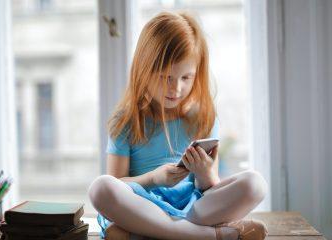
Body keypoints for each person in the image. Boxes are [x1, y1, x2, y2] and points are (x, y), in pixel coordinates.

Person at [88, 11, 268, 240]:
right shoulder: (127, 120)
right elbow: (117, 183)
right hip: (144, 207)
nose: (175, 89)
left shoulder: (204, 117)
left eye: (186, 78)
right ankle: (212, 236)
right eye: (166, 78)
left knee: (255, 184)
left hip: (192, 208)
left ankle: (152, 234)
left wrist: (204, 174)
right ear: (144, 71)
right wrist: (154, 178)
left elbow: (209, 189)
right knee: (100, 188)